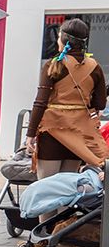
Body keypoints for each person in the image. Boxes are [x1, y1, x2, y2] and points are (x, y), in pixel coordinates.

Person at [28, 17, 107, 179]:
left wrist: (30, 134)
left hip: (52, 131)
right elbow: (99, 103)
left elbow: (40, 102)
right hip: (79, 132)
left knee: (46, 187)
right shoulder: (95, 67)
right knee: (68, 189)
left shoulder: (54, 64)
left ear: (63, 39)